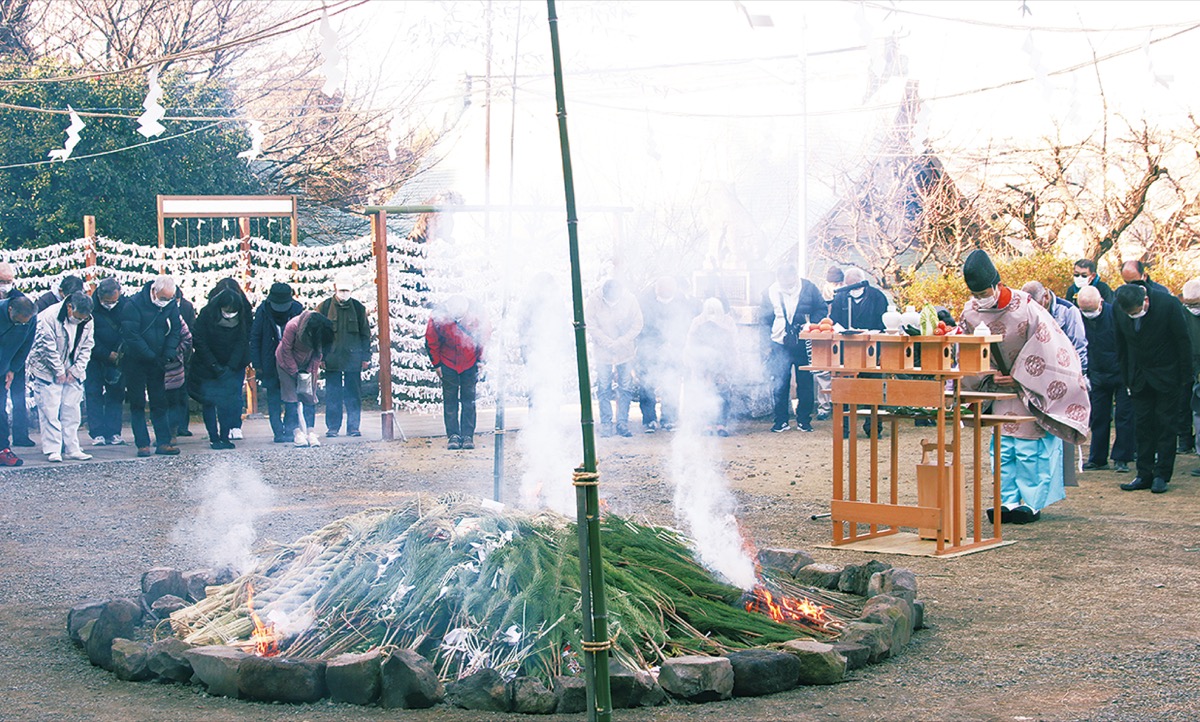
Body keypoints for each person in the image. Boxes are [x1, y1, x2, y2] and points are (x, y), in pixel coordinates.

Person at [958, 250, 1090, 524]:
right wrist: (988, 373)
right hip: (997, 390)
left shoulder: (1027, 307)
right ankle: (1005, 501)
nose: (980, 298)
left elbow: (1048, 347)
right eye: (975, 294)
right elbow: (968, 352)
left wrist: (1019, 377)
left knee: (1030, 451)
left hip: (1029, 390)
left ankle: (1031, 503)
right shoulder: (970, 312)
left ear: (997, 284)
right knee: (1002, 450)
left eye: (984, 292)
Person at [1114, 283, 1192, 494]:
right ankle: (1143, 474)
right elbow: (1121, 346)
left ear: (1145, 300)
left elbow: (1182, 341)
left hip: (1167, 376)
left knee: (1166, 425)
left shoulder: (1168, 304)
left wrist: (1185, 378)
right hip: (1139, 378)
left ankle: (1161, 475)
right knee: (1142, 426)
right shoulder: (1118, 309)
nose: (1134, 316)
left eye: (1136, 312)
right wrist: (1126, 378)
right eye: (1130, 314)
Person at [27, 292, 94, 462]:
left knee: (72, 410)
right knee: (50, 410)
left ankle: (72, 448)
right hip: (46, 370)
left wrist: (76, 370)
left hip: (72, 368)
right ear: (69, 307)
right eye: (77, 317)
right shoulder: (48, 317)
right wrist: (59, 372)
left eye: (82, 318)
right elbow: (46, 347)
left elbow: (87, 346)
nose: (79, 320)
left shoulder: (88, 320)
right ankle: (53, 449)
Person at [121, 275, 182, 457]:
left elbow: (175, 329)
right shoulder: (133, 304)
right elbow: (131, 335)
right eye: (163, 298)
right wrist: (149, 355)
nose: (165, 302)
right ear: (154, 291)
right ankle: (142, 444)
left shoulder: (170, 305)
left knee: (160, 401)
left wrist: (169, 352)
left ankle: (163, 441)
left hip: (159, 358)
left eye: (169, 298)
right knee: (137, 402)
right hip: (135, 360)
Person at [1076, 286, 1135, 473]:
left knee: (1124, 416)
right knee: (1098, 417)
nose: (1088, 314)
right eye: (1084, 310)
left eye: (1091, 309)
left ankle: (1122, 457)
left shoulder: (1117, 315)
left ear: (1101, 302)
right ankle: (1097, 458)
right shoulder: (1078, 318)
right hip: (1096, 374)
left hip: (1120, 373)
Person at [760, 263, 825, 433]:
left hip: (804, 340)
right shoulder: (770, 291)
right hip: (778, 341)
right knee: (779, 383)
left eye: (790, 281)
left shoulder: (809, 288)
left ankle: (804, 420)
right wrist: (765, 343)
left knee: (805, 382)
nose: (787, 285)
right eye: (783, 282)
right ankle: (780, 420)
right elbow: (764, 319)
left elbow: (822, 308)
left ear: (795, 277)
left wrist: (810, 324)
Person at [190, 288, 252, 450]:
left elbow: (242, 342)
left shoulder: (241, 316)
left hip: (231, 366)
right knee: (209, 401)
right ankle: (213, 437)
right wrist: (213, 365)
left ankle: (225, 436)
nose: (229, 313)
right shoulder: (207, 314)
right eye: (227, 309)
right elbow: (199, 340)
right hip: (207, 365)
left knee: (227, 403)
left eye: (233, 310)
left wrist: (231, 366)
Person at [426, 295, 489, 449]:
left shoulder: (477, 313)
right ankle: (453, 435)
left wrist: (481, 360)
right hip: (447, 362)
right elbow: (431, 340)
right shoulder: (438, 315)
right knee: (450, 400)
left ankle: (468, 435)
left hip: (470, 361)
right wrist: (437, 364)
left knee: (469, 400)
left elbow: (484, 337)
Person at [586, 280, 643, 437]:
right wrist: (607, 342)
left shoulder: (630, 299)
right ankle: (606, 423)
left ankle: (622, 423)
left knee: (625, 387)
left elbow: (637, 324)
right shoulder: (594, 300)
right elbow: (590, 325)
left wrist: (622, 341)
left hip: (625, 351)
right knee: (604, 387)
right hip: (602, 352)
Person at [316, 274, 371, 438]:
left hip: (353, 359)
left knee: (354, 394)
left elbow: (365, 334)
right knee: (333, 394)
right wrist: (320, 357)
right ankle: (333, 427)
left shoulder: (359, 308)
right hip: (331, 358)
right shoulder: (324, 307)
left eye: (347, 290)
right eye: (341, 290)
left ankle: (353, 427)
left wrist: (365, 357)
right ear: (335, 288)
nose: (344, 293)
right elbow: (317, 334)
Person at [636, 276, 693, 433]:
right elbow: (642, 326)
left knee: (672, 385)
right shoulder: (646, 303)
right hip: (650, 350)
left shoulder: (682, 302)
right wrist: (658, 343)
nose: (663, 291)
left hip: (673, 350)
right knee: (647, 385)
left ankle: (669, 418)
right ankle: (649, 419)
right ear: (656, 289)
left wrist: (673, 343)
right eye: (661, 288)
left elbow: (685, 326)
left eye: (667, 289)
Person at [251, 282, 303, 443]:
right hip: (269, 361)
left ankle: (290, 429)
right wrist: (257, 364)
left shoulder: (297, 310)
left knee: (291, 398)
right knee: (273, 399)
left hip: (291, 361)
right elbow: (255, 337)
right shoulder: (262, 311)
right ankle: (278, 432)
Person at [277, 311, 334, 448]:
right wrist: (295, 372)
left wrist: (309, 372)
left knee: (309, 396)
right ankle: (296, 432)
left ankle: (310, 431)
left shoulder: (320, 330)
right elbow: (286, 350)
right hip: (285, 364)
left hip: (307, 363)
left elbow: (317, 354)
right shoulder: (293, 326)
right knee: (291, 398)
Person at [684, 297, 739, 436]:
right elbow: (691, 343)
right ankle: (706, 425)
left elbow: (733, 343)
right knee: (704, 394)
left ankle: (721, 425)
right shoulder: (697, 321)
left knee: (723, 394)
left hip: (723, 364)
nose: (712, 312)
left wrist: (732, 363)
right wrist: (694, 363)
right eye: (709, 309)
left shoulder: (727, 321)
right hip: (702, 364)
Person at [206, 278, 253, 440]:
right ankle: (222, 429)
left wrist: (234, 362)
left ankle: (235, 425)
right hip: (215, 358)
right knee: (218, 394)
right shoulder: (210, 310)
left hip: (237, 358)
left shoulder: (244, 309)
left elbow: (245, 336)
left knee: (234, 392)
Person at [85, 278, 128, 446]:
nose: (111, 304)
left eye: (114, 301)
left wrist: (120, 351)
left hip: (118, 357)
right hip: (94, 358)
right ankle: (97, 432)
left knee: (116, 394)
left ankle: (114, 431)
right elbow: (87, 336)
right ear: (100, 296)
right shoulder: (90, 307)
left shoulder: (125, 305)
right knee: (93, 393)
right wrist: (105, 353)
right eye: (107, 301)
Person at [0, 295, 36, 466]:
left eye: (23, 322)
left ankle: (2, 449)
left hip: (3, 367)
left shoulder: (30, 319)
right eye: (17, 321)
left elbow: (25, 345)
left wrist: (13, 368)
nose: (21, 325)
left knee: (0, 409)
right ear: (10, 310)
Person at [1021, 281, 1088, 375]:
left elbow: (1078, 345)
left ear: (1046, 297)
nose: (1034, 310)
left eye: (1037, 306)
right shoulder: (1026, 310)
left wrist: (1080, 373)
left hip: (1065, 369)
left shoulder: (1068, 311)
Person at [814, 266, 845, 421]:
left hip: (843, 338)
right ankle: (824, 406)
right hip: (825, 337)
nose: (835, 286)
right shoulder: (821, 297)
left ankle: (842, 403)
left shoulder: (845, 296)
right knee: (823, 372)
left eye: (837, 283)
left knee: (843, 371)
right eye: (832, 283)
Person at [169, 287, 197, 438]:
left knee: (182, 392)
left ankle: (183, 426)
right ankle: (170, 428)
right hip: (166, 358)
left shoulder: (186, 307)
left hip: (183, 356)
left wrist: (182, 351)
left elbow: (190, 331)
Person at [829, 267, 888, 331]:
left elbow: (882, 321)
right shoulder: (840, 297)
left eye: (856, 286)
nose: (853, 290)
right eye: (849, 286)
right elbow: (834, 320)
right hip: (845, 336)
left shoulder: (876, 296)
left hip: (872, 335)